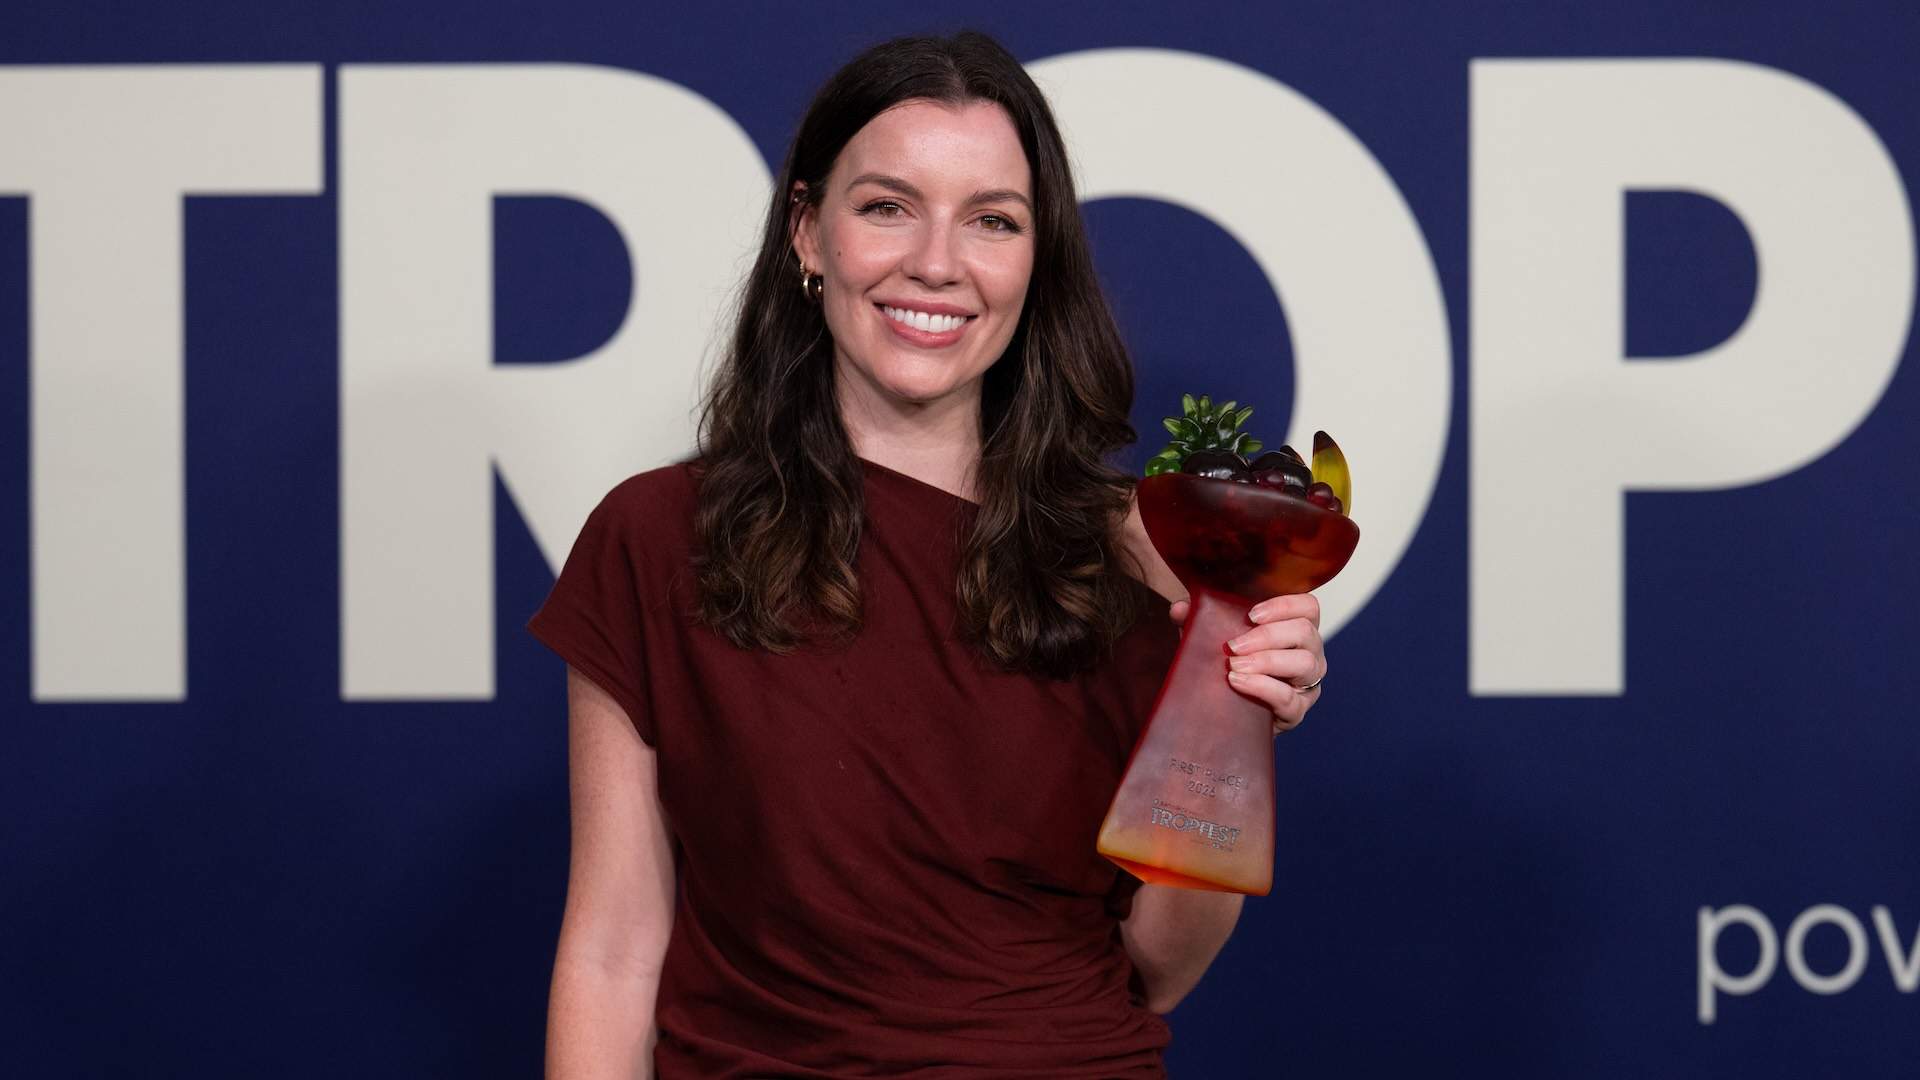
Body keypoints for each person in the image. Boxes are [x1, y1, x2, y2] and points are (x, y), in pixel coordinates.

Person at [528, 29, 1328, 1078]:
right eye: (886, 207)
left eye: (991, 220)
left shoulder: (1151, 555)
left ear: (1036, 261)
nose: (937, 262)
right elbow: (614, 949)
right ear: (808, 233)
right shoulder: (656, 538)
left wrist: (1231, 736)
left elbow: (1158, 967)